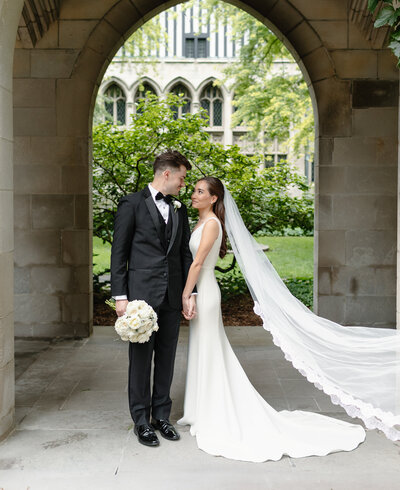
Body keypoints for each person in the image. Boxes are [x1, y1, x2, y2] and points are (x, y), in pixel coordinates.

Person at [178, 176, 366, 462]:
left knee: (210, 348)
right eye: (194, 190)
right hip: (201, 291)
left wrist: (187, 293)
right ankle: (199, 408)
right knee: (205, 348)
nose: (194, 194)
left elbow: (199, 263)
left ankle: (212, 410)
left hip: (205, 292)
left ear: (214, 198)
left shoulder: (212, 224)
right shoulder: (201, 222)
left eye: (200, 191)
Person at [110, 150, 197, 448]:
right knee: (141, 360)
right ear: (167, 174)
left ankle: (162, 416)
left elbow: (185, 253)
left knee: (167, 358)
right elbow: (118, 253)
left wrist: (190, 292)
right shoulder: (131, 204)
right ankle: (141, 421)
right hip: (140, 298)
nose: (184, 184)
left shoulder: (179, 208)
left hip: (172, 295)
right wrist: (120, 297)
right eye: (182, 178)